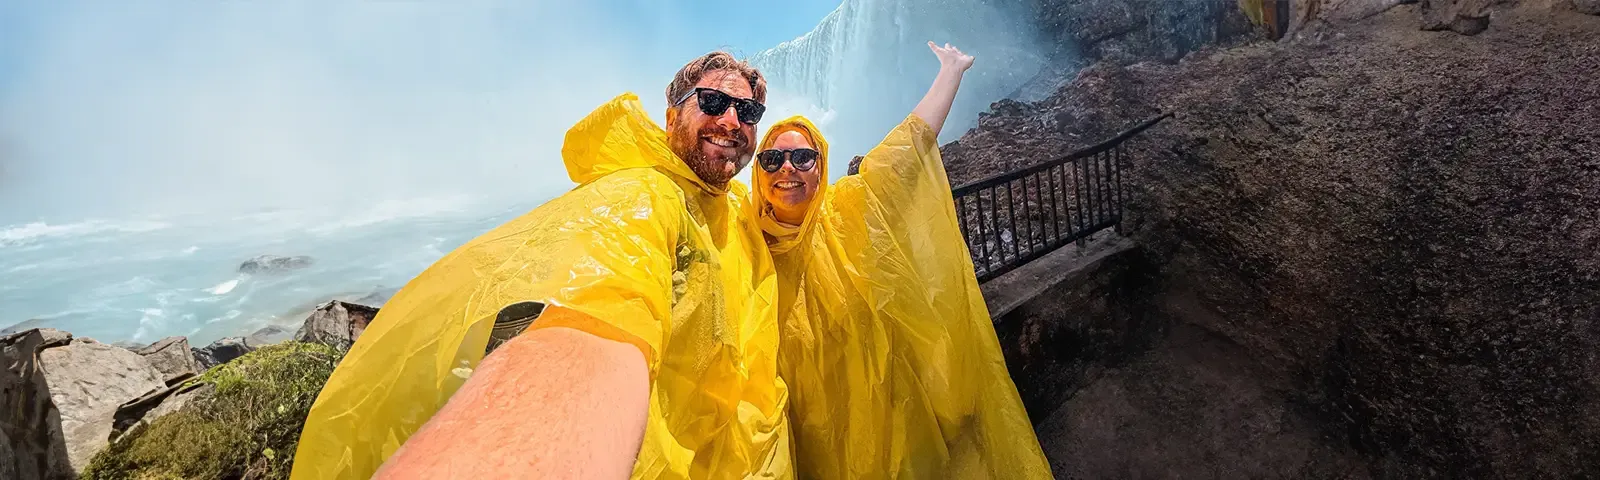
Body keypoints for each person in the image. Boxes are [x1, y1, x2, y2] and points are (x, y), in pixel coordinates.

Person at [291, 52, 794, 479]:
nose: (731, 120)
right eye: (712, 102)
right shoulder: (642, 196)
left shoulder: (732, 212)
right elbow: (593, 315)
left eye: (747, 110)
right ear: (670, 118)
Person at [751, 42, 1052, 478]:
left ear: (821, 165)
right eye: (773, 158)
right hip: (811, 434)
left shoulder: (851, 210)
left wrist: (951, 72)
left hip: (891, 417)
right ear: (759, 170)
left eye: (803, 157)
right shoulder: (745, 239)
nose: (788, 169)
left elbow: (908, 146)